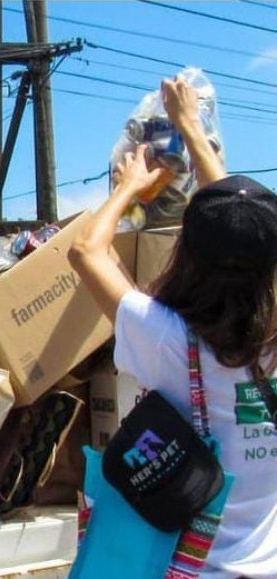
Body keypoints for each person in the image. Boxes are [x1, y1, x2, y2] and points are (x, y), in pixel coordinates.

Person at [69, 74, 277, 578]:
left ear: (186, 251)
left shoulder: (166, 336)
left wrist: (127, 190)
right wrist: (193, 129)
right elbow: (240, 226)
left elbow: (86, 251)